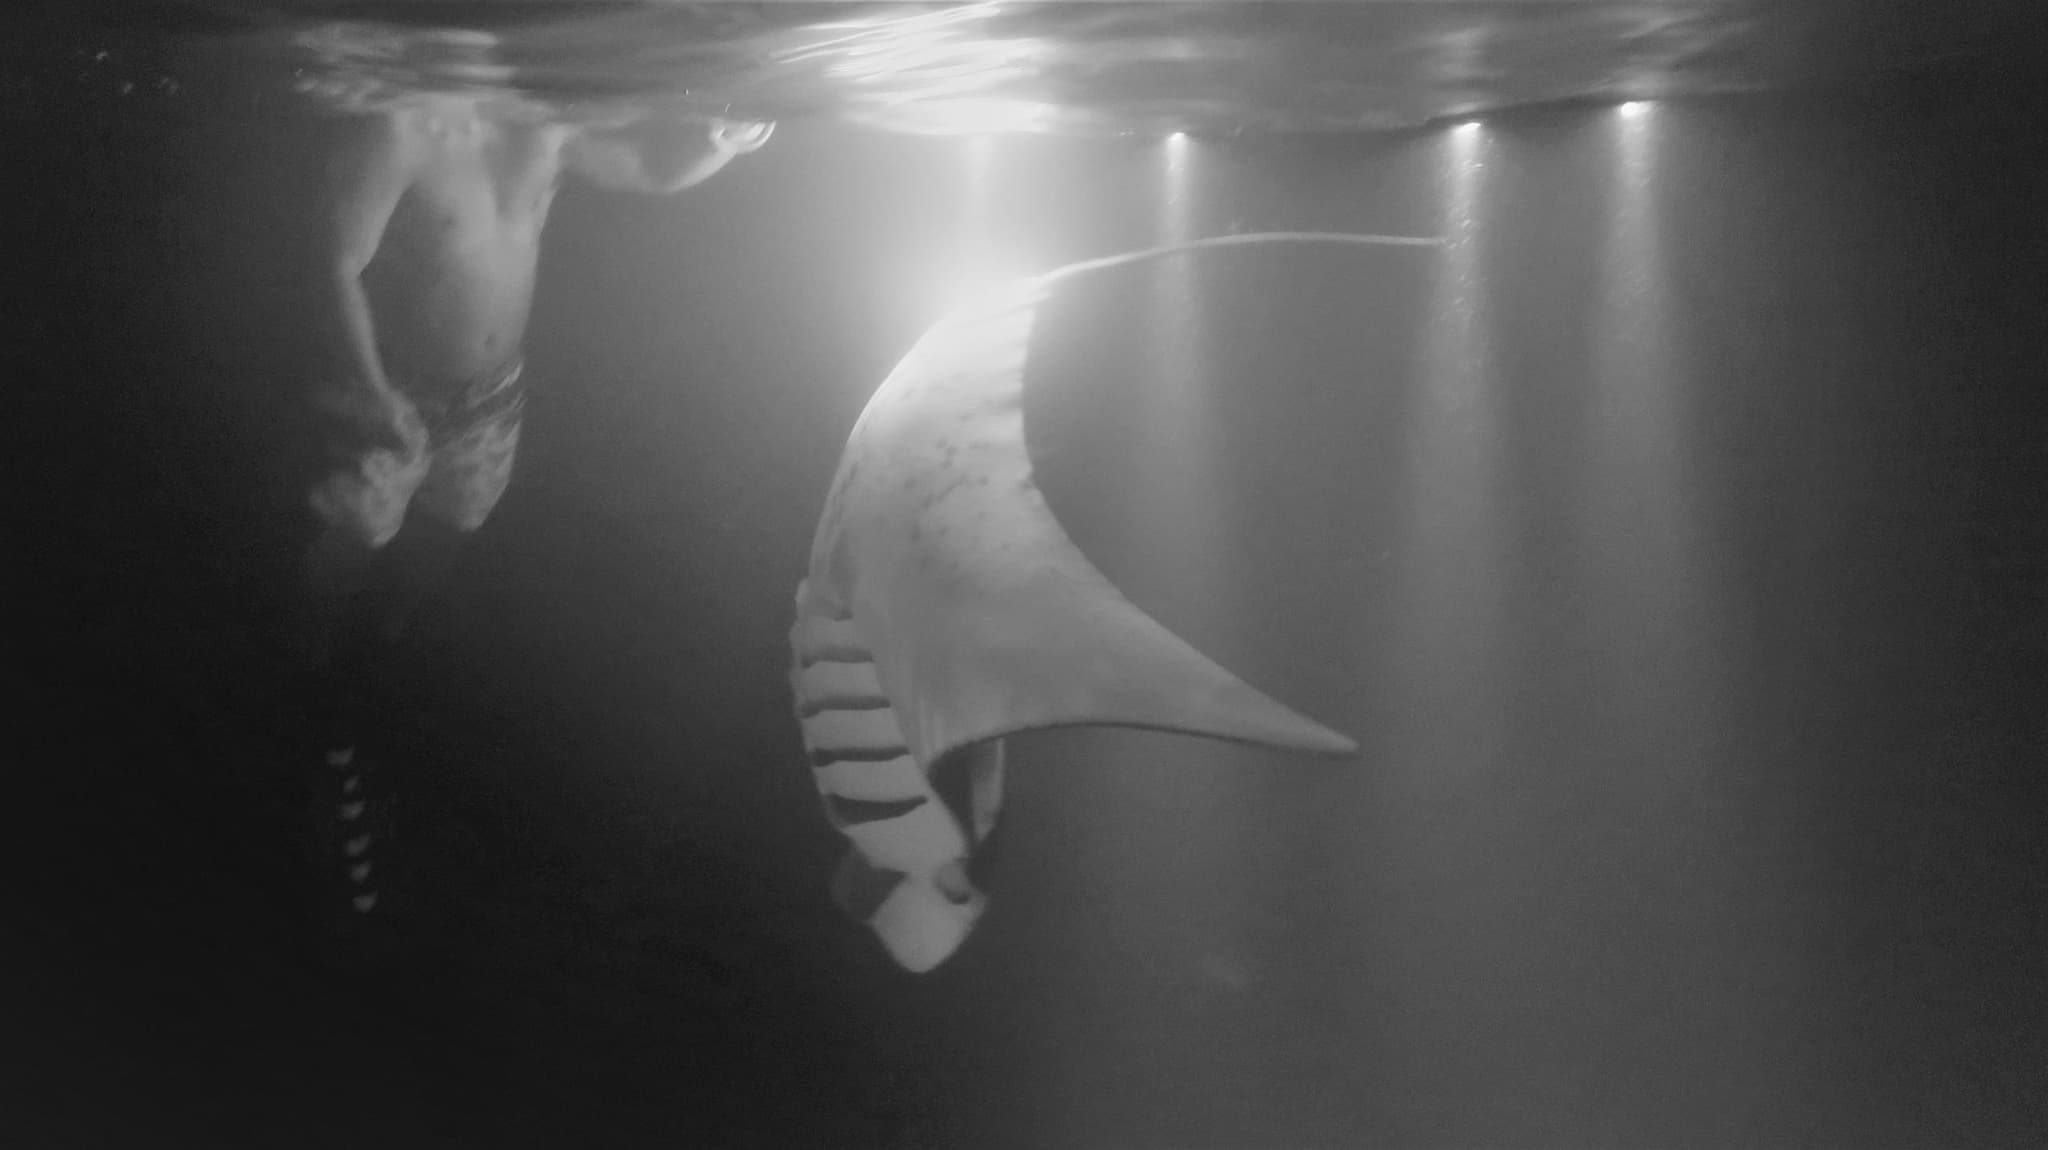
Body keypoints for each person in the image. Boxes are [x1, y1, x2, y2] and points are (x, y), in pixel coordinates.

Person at [289, 89, 773, 954]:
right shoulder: (403, 124)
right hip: (395, 397)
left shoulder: (541, 117)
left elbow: (650, 168)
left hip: (492, 401)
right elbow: (333, 264)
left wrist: (726, 137)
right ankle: (315, 698)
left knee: (446, 539)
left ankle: (370, 676)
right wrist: (371, 391)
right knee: (352, 541)